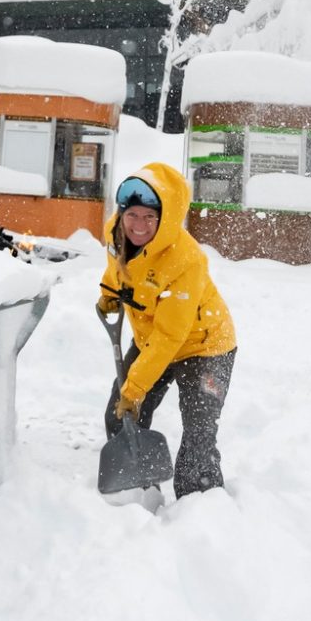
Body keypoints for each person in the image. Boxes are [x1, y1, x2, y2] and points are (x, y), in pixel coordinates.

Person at [97, 162, 238, 496]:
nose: (138, 225)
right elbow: (118, 272)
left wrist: (134, 390)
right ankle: (135, 491)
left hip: (205, 346)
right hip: (152, 340)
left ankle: (200, 503)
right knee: (119, 419)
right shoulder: (116, 235)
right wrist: (109, 295)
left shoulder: (186, 260)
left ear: (166, 218)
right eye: (132, 214)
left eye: (150, 217)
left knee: (198, 434)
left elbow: (170, 336)